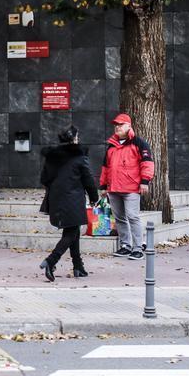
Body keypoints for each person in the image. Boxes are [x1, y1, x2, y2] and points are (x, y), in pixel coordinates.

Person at [38, 125, 100, 281]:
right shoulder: (79, 157)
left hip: (55, 199)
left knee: (73, 231)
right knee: (71, 233)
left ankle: (78, 267)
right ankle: (51, 261)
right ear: (74, 139)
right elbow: (88, 180)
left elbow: (44, 179)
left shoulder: (52, 157)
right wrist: (94, 197)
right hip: (72, 200)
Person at [99, 113, 155, 260]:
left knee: (132, 217)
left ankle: (138, 248)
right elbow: (106, 168)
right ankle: (125, 246)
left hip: (131, 188)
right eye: (116, 125)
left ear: (129, 126)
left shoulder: (139, 143)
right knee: (119, 218)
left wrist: (145, 181)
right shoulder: (111, 146)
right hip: (114, 188)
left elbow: (147, 163)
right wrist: (103, 186)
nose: (117, 127)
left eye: (121, 124)